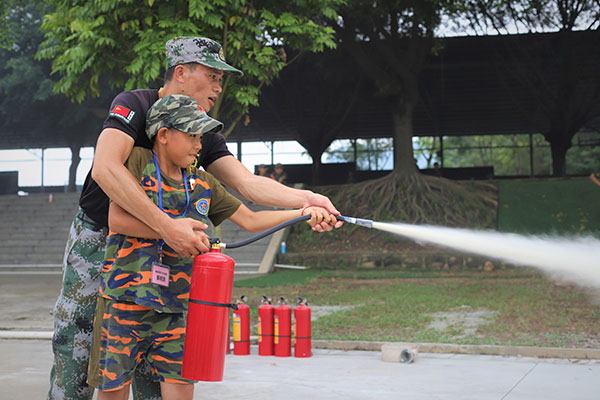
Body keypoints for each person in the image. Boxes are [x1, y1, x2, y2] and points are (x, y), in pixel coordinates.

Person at [48, 36, 341, 400]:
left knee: (155, 373)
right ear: (182, 73)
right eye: (213, 76)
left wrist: (307, 199)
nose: (219, 87)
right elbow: (105, 168)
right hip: (101, 238)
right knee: (80, 354)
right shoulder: (135, 105)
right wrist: (167, 226)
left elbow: (246, 185)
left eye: (221, 79)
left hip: (165, 253)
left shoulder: (202, 134)